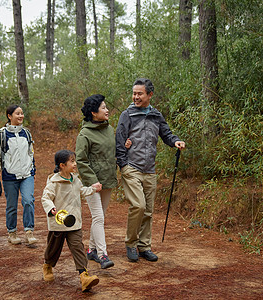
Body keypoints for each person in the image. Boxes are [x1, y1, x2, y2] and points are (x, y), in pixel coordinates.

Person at [115, 78, 186, 262]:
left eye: (140, 93)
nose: (135, 97)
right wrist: (123, 164)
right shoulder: (127, 115)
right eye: (134, 93)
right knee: (138, 206)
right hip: (132, 167)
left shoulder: (156, 115)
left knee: (148, 211)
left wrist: (175, 141)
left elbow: (166, 134)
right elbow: (119, 140)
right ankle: (131, 244)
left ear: (150, 95)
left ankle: (144, 246)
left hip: (150, 170)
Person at [41, 150, 101, 292]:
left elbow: (82, 191)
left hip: (74, 222)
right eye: (72, 161)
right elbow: (45, 197)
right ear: (62, 165)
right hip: (59, 223)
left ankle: (84, 276)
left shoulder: (75, 179)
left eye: (75, 161)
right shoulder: (54, 182)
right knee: (53, 248)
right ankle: (47, 266)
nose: (75, 164)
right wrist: (51, 209)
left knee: (78, 248)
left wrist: (92, 189)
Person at [75, 94, 116, 269]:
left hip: (107, 179)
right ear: (93, 112)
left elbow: (115, 151)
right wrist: (93, 182)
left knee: (100, 217)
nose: (107, 110)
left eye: (106, 107)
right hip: (91, 183)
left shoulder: (109, 129)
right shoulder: (84, 134)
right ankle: (102, 254)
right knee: (98, 217)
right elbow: (81, 160)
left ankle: (91, 250)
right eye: (103, 108)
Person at [0, 104, 37, 245]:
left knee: (28, 201)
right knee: (12, 206)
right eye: (17, 113)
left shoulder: (26, 133)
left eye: (22, 113)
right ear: (9, 116)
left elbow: (31, 152)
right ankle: (12, 232)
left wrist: (32, 168)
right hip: (9, 175)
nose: (21, 116)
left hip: (27, 174)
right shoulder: (2, 134)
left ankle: (29, 232)